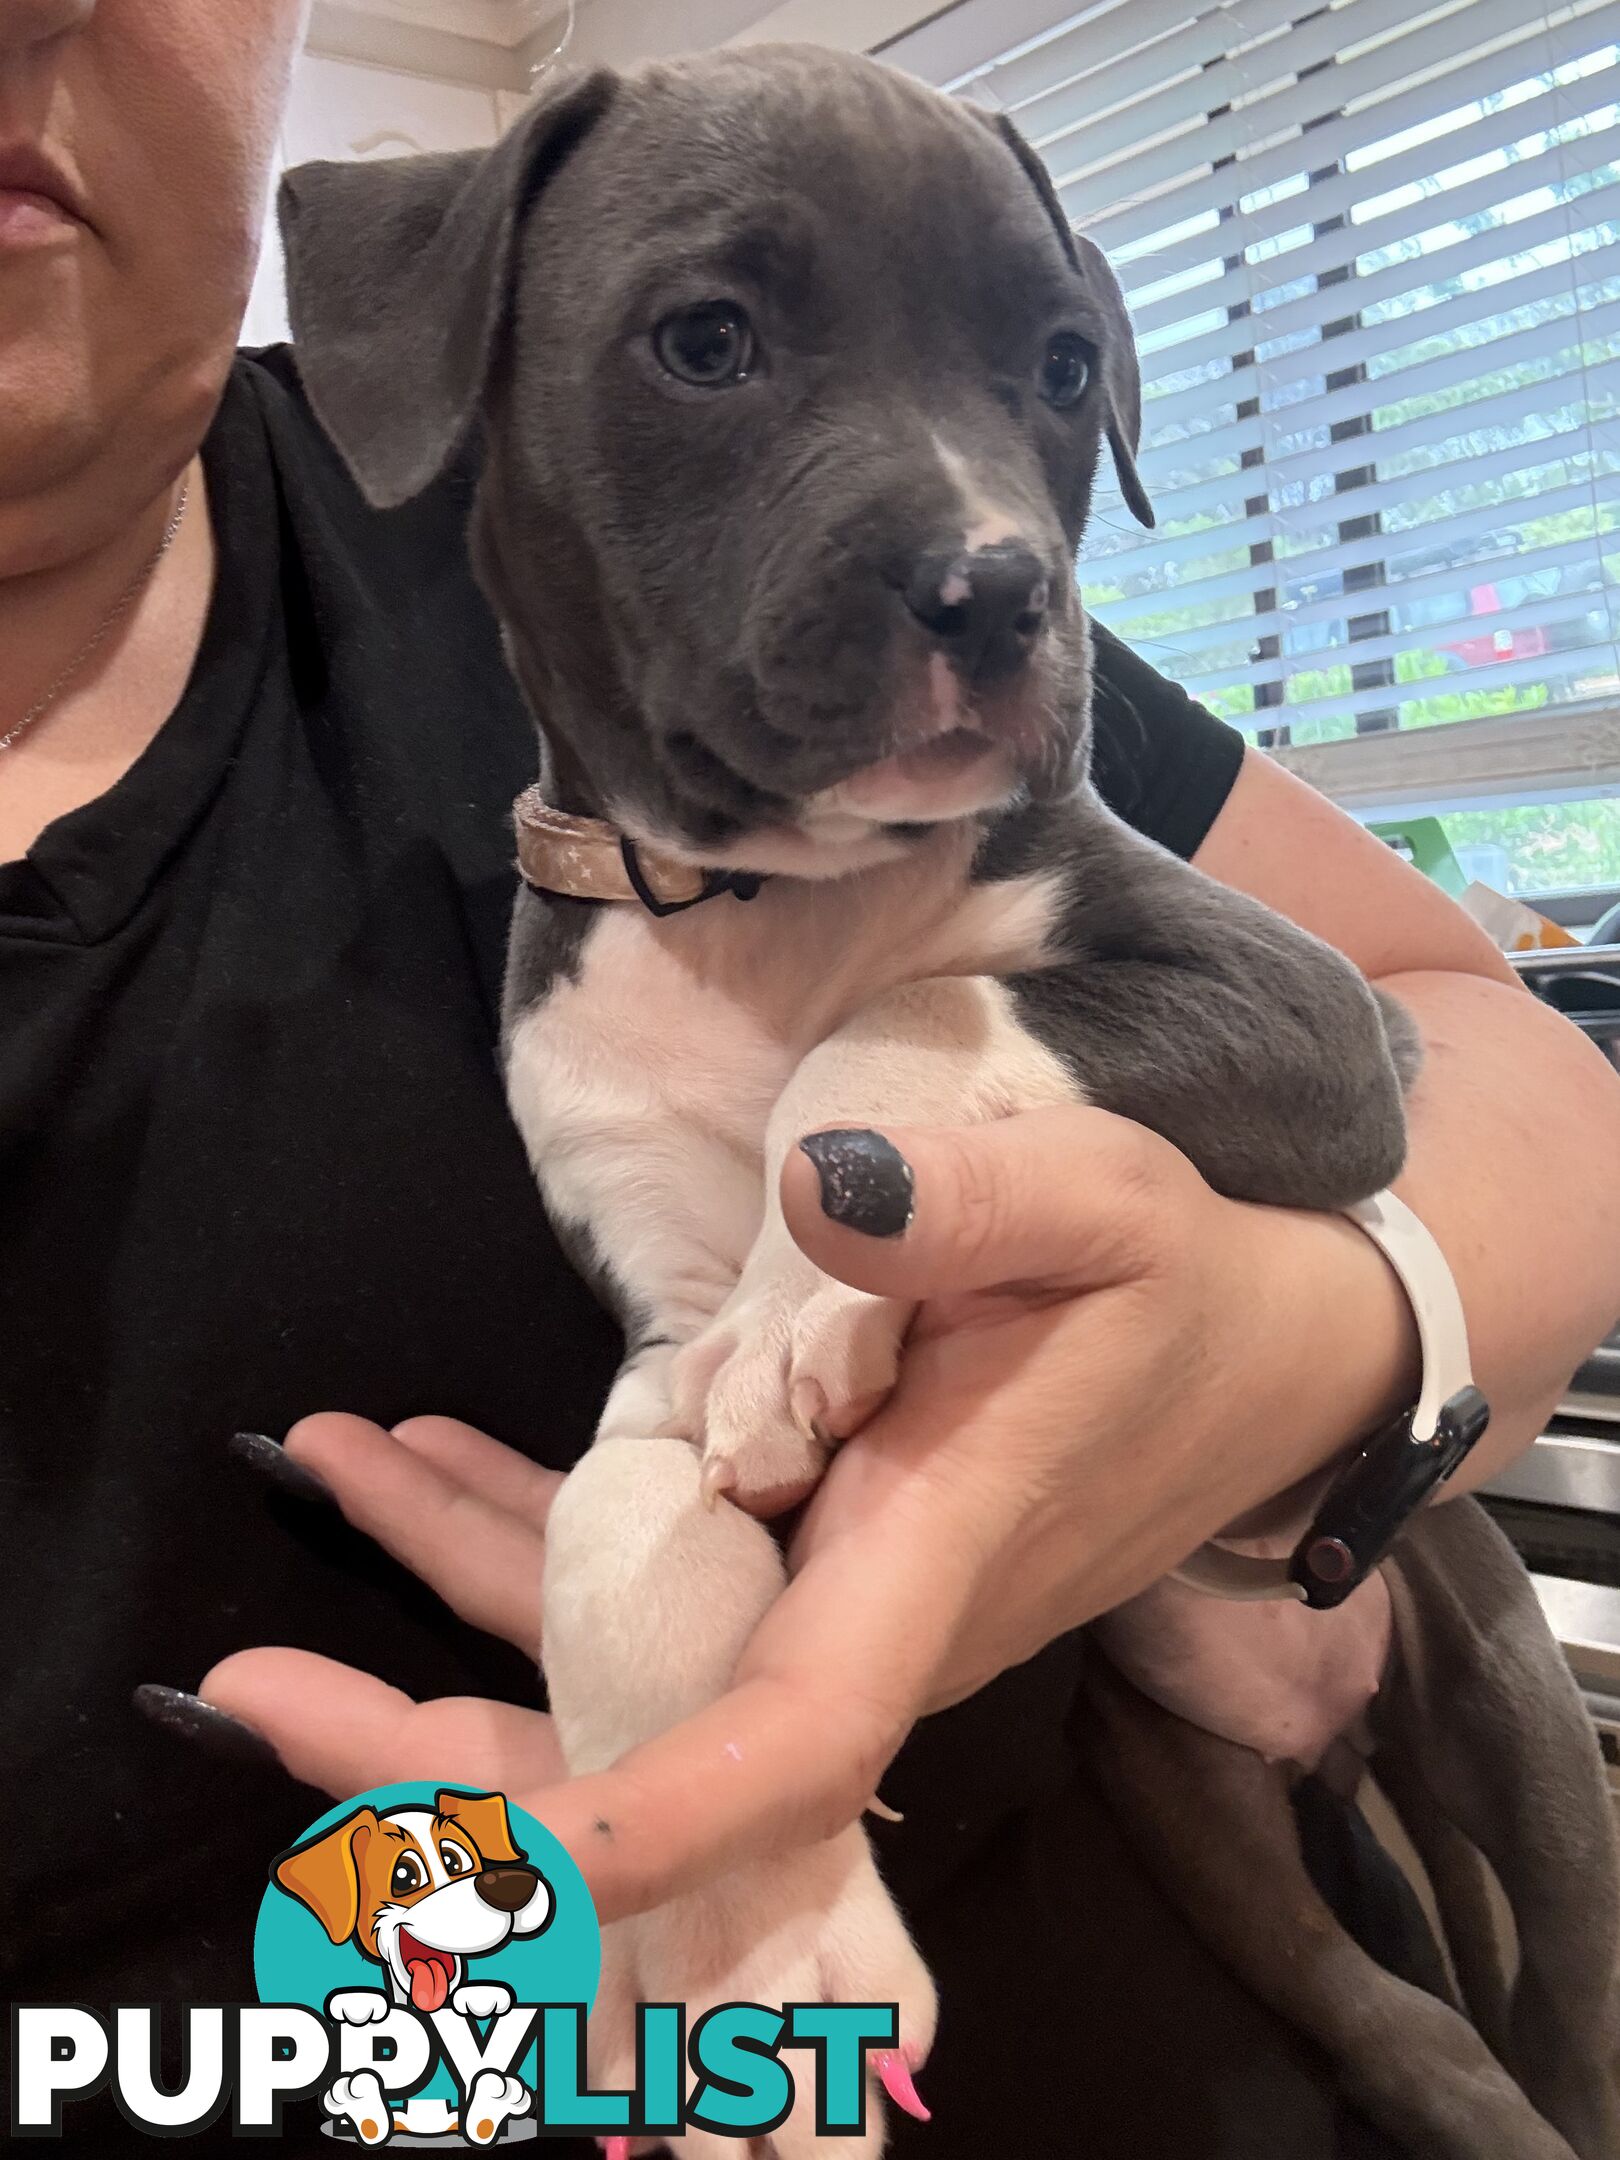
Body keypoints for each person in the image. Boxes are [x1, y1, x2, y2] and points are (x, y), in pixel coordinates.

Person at [5, 1, 1619, 2153]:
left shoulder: (773, 686)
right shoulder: (560, 764)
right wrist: (693, 1839)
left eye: (1049, 379)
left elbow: (1436, 1025)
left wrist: (1300, 1364)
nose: (982, 528)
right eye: (707, 347)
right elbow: (691, 1398)